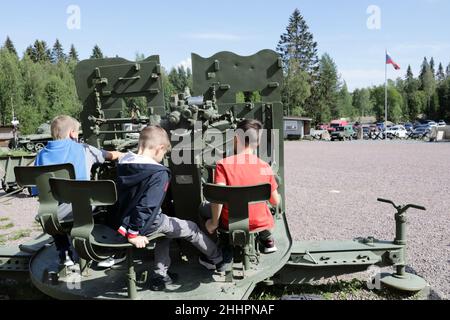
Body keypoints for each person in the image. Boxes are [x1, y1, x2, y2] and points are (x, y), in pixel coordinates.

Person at [115, 126, 225, 291]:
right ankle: (218, 260)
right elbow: (147, 206)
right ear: (160, 148)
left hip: (123, 220)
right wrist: (133, 234)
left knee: (164, 235)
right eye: (164, 153)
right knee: (192, 228)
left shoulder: (124, 163)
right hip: (145, 224)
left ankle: (161, 275)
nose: (163, 157)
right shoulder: (159, 173)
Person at [35, 115, 124, 267]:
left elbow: (37, 190)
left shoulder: (40, 155)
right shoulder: (84, 149)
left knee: (54, 207)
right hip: (81, 208)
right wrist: (123, 154)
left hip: (50, 213)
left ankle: (65, 253)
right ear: (72, 133)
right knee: (113, 202)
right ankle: (111, 248)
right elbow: (110, 155)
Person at [205, 119, 281, 253]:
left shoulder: (223, 165)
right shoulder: (265, 167)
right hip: (260, 223)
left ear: (236, 139)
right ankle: (267, 238)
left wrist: (214, 223)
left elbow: (218, 198)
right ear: (257, 144)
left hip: (230, 223)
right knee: (265, 206)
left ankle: (215, 248)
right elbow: (275, 202)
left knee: (203, 209)